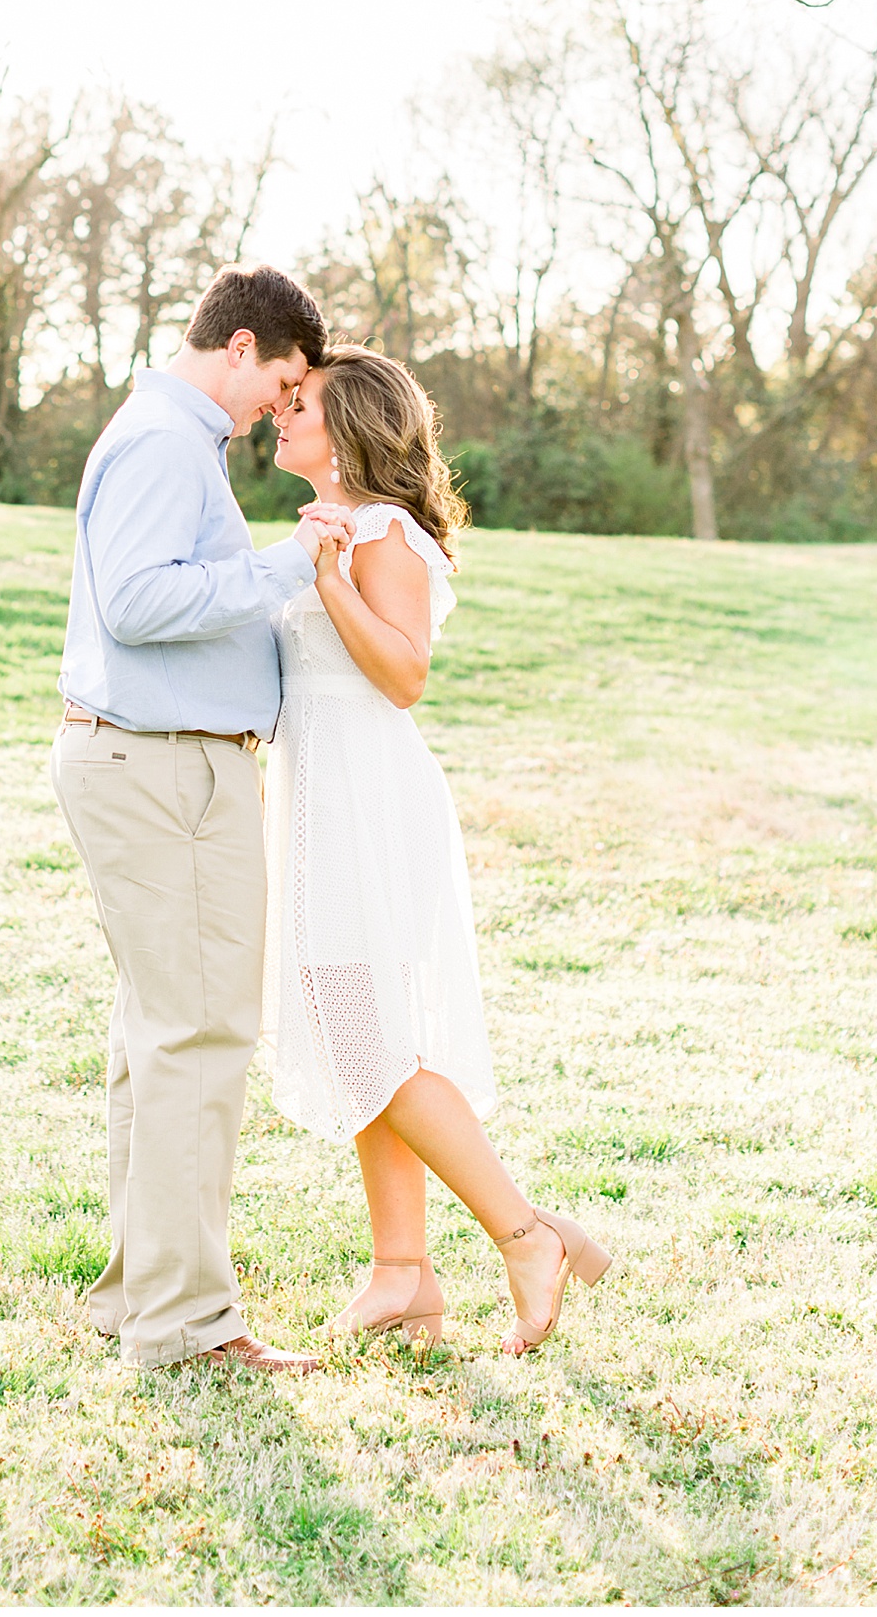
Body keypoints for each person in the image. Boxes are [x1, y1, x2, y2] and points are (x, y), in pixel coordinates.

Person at [265, 345, 611, 1354]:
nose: (279, 416)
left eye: (301, 404)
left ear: (354, 426)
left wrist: (329, 578)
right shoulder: (341, 528)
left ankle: (524, 1231)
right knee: (363, 1032)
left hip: (366, 804)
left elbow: (405, 673)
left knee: (366, 1034)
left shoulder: (381, 531)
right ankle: (402, 1272)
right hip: (325, 797)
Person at [51, 264, 332, 1377]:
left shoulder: (168, 434)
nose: (284, 400)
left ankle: (142, 1299)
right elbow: (138, 597)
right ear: (242, 345)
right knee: (201, 1037)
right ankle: (187, 1323)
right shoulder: (168, 439)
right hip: (165, 769)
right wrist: (286, 565)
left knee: (160, 1037)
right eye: (286, 377)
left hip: (149, 761)